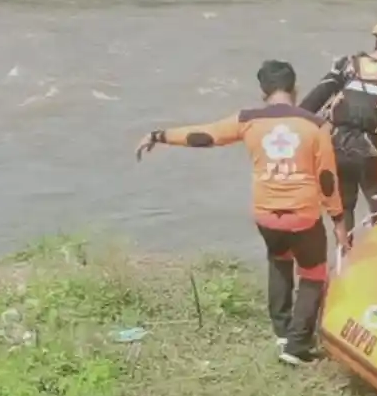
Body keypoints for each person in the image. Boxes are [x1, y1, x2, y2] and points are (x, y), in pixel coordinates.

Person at [135, 60, 347, 366]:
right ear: (295, 89)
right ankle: (297, 345)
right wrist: (338, 219)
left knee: (279, 260)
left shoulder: (248, 120)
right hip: (302, 215)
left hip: (265, 215)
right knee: (313, 274)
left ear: (263, 92)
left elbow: (204, 135)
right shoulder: (315, 125)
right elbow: (327, 178)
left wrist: (159, 135)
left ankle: (282, 332)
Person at [298, 15, 377, 237]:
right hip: (370, 154)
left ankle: (344, 252)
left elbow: (311, 103)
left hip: (337, 147)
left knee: (344, 207)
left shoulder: (345, 66)